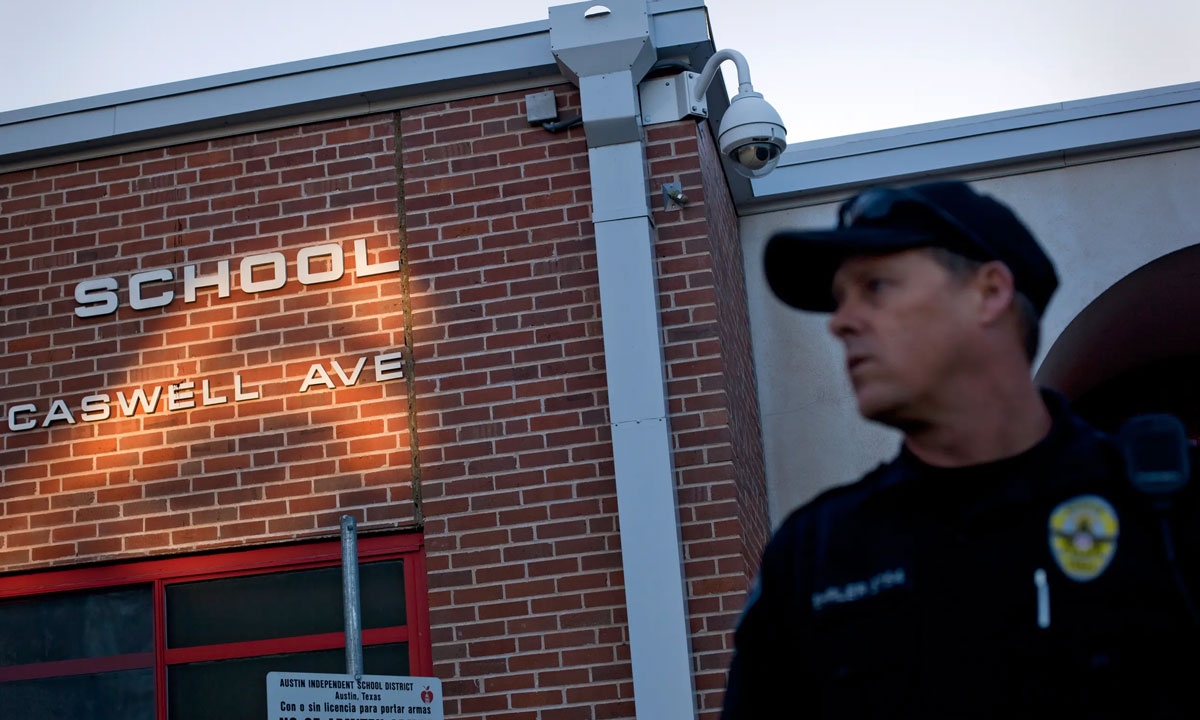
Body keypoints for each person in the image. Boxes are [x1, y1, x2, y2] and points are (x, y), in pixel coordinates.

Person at [721, 181, 1200, 718]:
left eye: (875, 286)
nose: (840, 322)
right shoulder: (815, 556)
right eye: (839, 299)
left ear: (989, 292)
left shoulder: (1164, 508)